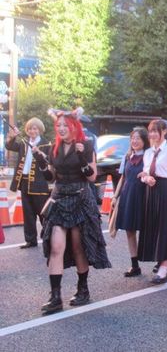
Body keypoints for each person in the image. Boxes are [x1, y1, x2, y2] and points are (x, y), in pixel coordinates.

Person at [35, 108, 111, 314]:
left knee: (78, 247)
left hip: (80, 197)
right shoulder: (54, 148)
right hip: (59, 199)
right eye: (58, 125)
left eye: (64, 125)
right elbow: (51, 177)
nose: (60, 128)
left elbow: (92, 177)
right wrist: (42, 163)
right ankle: (55, 297)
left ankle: (82, 289)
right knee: (55, 247)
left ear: (74, 127)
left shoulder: (85, 146)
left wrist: (81, 157)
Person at [137, 119, 167, 284]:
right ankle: (162, 263)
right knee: (153, 226)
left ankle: (164, 264)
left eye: (156, 131)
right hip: (150, 190)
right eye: (150, 131)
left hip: (164, 190)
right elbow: (144, 172)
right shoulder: (148, 152)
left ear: (164, 132)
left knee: (164, 227)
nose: (153, 134)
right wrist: (146, 178)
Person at [5, 118, 52, 249]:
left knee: (43, 213)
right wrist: (12, 137)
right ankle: (31, 240)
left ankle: (50, 237)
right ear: (27, 130)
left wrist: (41, 153)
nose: (32, 131)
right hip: (24, 182)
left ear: (40, 130)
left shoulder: (46, 144)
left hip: (39, 183)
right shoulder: (23, 143)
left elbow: (49, 160)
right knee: (28, 213)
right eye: (30, 128)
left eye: (35, 128)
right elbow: (9, 146)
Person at [112, 127, 149, 277]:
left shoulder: (149, 156)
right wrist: (115, 196)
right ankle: (135, 265)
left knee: (149, 230)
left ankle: (162, 262)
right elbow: (123, 178)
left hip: (143, 196)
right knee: (129, 230)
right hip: (128, 195)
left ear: (144, 140)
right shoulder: (127, 156)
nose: (134, 141)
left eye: (138, 138)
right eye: (132, 138)